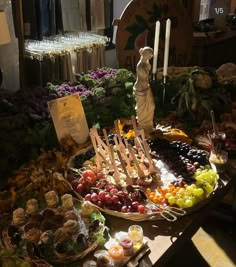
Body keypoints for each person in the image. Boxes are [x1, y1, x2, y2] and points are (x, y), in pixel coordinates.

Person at [133, 46, 155, 134]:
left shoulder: (145, 63)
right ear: (145, 54)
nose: (151, 57)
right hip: (141, 89)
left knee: (151, 106)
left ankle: (148, 126)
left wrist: (148, 64)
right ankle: (143, 127)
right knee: (142, 109)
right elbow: (144, 76)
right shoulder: (140, 66)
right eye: (150, 55)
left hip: (146, 87)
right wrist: (148, 66)